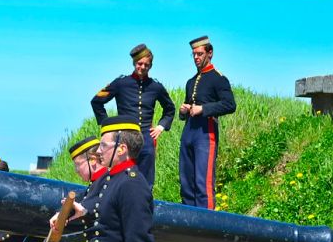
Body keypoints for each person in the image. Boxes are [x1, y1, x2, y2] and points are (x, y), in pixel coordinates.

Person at [91, 43, 175, 188]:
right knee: (123, 178)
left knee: (146, 181)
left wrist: (161, 127)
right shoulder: (121, 83)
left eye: (146, 65)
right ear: (134, 63)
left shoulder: (156, 87)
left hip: (147, 139)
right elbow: (97, 102)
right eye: (139, 63)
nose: (142, 67)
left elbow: (170, 108)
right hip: (125, 138)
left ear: (151, 66)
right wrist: (108, 126)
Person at [178, 35, 236, 209]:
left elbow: (230, 104)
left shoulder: (218, 79)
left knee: (203, 182)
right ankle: (189, 225)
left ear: (210, 53)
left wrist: (203, 109)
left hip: (206, 132)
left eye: (200, 54)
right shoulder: (190, 82)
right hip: (188, 132)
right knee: (186, 182)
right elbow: (188, 109)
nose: (196, 58)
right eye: (193, 54)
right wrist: (183, 112)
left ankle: (207, 227)